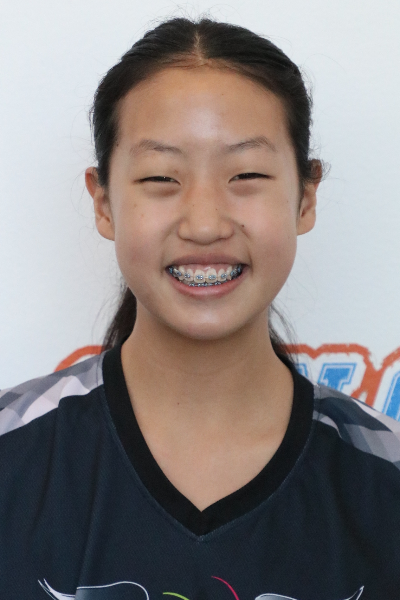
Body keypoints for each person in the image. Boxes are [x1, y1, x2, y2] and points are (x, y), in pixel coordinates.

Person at [0, 16, 399, 600]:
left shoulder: (384, 478)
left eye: (247, 174)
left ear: (306, 197)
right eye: (162, 177)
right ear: (104, 202)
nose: (206, 223)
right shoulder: (13, 455)